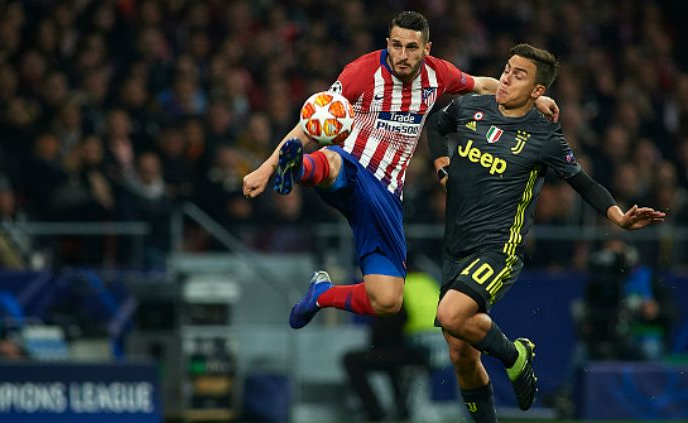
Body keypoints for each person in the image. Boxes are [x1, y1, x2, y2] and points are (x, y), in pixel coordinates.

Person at [242, 11, 559, 329]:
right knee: (335, 161)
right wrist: (266, 169)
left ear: (427, 49)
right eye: (396, 45)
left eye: (411, 47)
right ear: (387, 44)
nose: (402, 55)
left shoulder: (439, 75)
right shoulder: (361, 72)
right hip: (352, 167)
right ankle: (296, 170)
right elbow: (314, 120)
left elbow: (482, 85)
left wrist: (534, 101)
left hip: (386, 194)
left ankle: (321, 294)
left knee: (387, 300)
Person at [426, 43, 666, 422]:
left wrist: (618, 216)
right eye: (506, 69)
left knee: (452, 314)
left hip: (499, 247)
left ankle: (515, 355)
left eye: (518, 75)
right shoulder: (472, 107)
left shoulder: (544, 137)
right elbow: (437, 123)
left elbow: (583, 183)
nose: (506, 77)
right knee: (460, 353)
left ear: (538, 91)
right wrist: (442, 166)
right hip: (455, 244)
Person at [342, 268, 441, 421]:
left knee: (356, 360)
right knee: (390, 358)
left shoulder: (395, 286)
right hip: (439, 348)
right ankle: (401, 410)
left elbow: (393, 323)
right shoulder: (427, 282)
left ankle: (375, 412)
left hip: (414, 347)